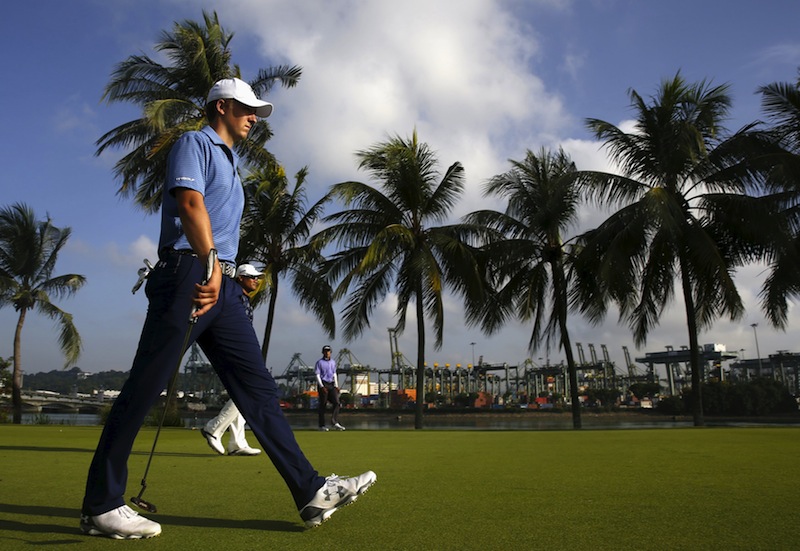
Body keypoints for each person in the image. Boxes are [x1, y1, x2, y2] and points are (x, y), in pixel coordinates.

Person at [80, 77, 376, 540]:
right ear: (220, 107)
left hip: (223, 287)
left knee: (257, 391)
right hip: (189, 277)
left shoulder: (232, 162)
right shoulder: (193, 143)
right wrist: (212, 264)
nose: (254, 117)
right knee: (144, 388)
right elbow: (190, 203)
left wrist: (229, 276)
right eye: (246, 109)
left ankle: (311, 490)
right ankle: (101, 505)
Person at [200, 264, 264, 456]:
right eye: (251, 277)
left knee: (243, 392)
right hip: (232, 350)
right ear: (240, 278)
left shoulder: (243, 299)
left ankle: (237, 442)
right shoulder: (233, 297)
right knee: (247, 391)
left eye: (256, 277)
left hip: (240, 350)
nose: (256, 280)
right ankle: (214, 427)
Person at [315, 345, 345, 431]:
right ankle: (321, 425)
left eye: (328, 351)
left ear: (330, 352)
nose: (327, 352)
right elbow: (317, 374)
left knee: (337, 403)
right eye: (325, 351)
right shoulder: (319, 362)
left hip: (331, 384)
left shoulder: (333, 362)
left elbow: (334, 374)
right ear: (323, 352)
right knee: (323, 405)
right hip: (323, 384)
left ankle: (334, 422)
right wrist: (321, 386)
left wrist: (336, 385)